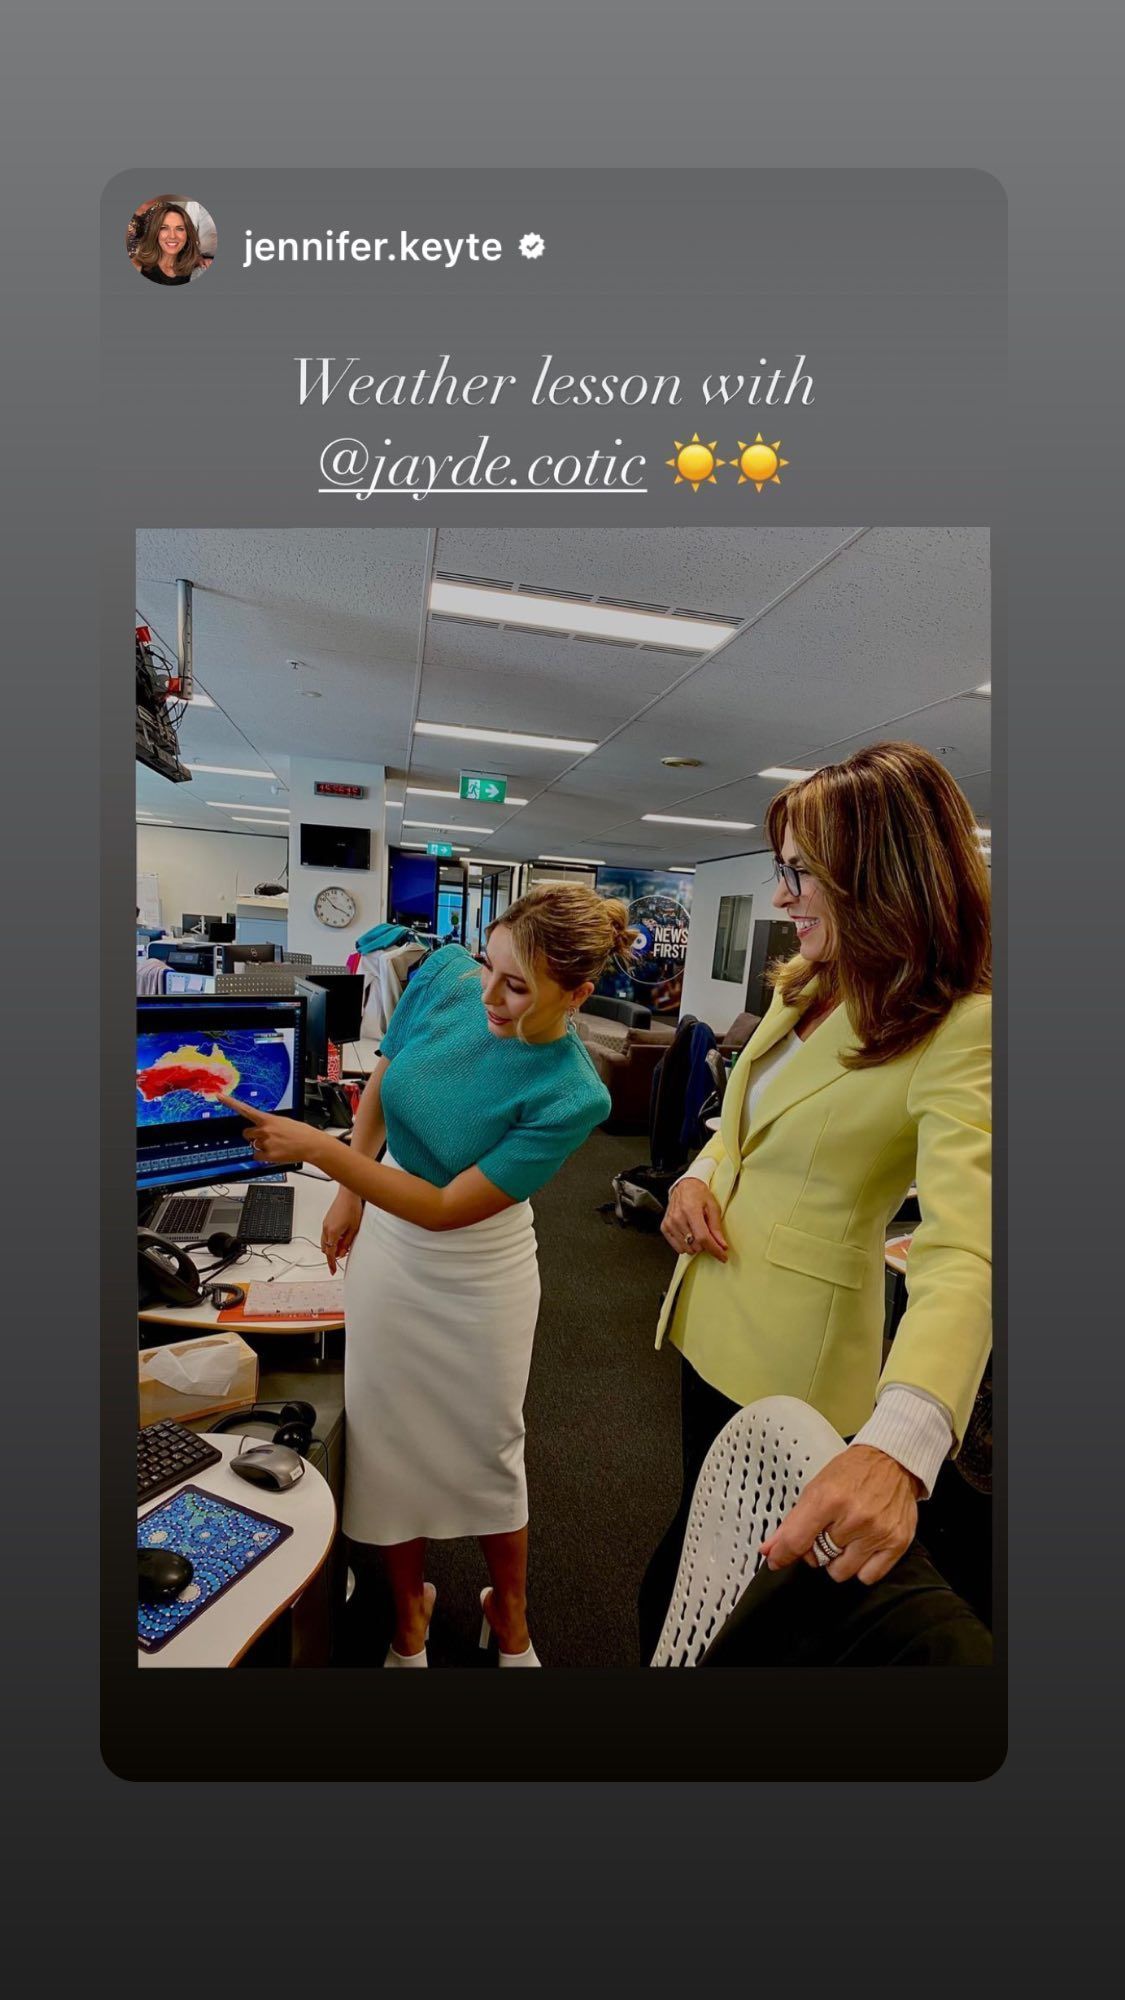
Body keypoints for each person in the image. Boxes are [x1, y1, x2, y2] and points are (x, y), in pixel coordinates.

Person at [220, 886, 634, 1668]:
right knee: (388, 1440)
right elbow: (385, 1080)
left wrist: (322, 1152)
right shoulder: (446, 977)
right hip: (390, 1253)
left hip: (480, 1268)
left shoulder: (573, 1094)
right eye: (489, 967)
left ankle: (508, 1609)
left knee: (488, 1444)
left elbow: (446, 1209)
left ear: (577, 995)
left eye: (517, 986)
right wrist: (350, 1188)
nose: (489, 995)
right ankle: (409, 1610)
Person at [640, 742, 991, 1656]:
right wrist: (694, 1177)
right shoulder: (809, 986)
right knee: (691, 1554)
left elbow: (966, 1248)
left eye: (801, 873)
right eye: (781, 870)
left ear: (879, 877)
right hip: (710, 1311)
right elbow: (738, 1126)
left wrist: (905, 1441)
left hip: (797, 1361)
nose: (780, 896)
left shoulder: (961, 1027)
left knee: (719, 1603)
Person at [131, 200, 212, 285]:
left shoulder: (197, 268)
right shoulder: (136, 266)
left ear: (188, 234)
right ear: (155, 232)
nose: (172, 236)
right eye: (164, 228)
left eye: (179, 229)